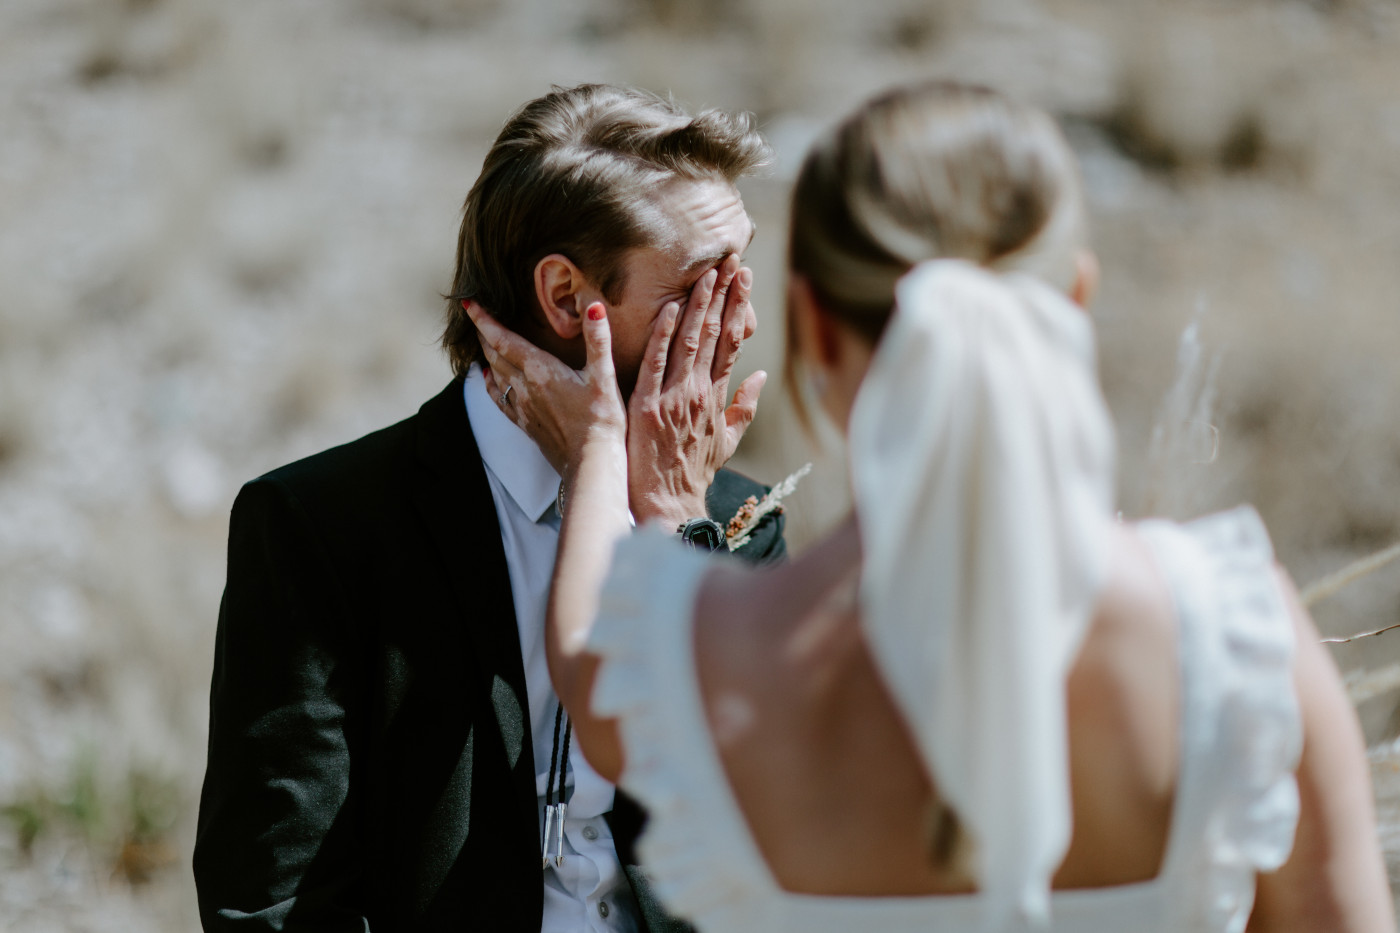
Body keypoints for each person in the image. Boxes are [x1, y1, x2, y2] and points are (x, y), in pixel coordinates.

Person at [468, 81, 1396, 931]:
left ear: (815, 328)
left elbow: (594, 643)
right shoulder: (1237, 637)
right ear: (1075, 296)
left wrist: (601, 440)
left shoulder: (710, 658)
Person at [193, 84, 787, 933]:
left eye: (745, 271)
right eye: (702, 286)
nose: (745, 321)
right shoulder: (320, 528)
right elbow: (270, 902)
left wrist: (675, 526)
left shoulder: (736, 521)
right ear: (562, 297)